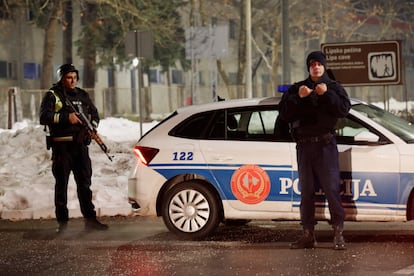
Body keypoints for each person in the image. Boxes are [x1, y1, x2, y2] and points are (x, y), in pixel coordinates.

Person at [279, 51, 351, 250]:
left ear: (324, 66)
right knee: (307, 192)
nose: (316, 67)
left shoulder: (334, 88)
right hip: (304, 146)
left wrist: (325, 94)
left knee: (331, 190)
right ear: (308, 67)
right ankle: (308, 235)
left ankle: (338, 234)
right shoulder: (297, 88)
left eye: (319, 64)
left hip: (325, 146)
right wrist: (298, 98)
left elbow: (343, 110)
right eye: (312, 64)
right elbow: (284, 114)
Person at [39, 64, 108, 233]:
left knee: (85, 184)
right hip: (62, 147)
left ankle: (90, 221)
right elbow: (43, 117)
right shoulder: (53, 95)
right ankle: (62, 224)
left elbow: (95, 115)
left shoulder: (83, 95)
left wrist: (91, 127)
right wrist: (66, 117)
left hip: (80, 147)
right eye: (69, 77)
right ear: (61, 78)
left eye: (75, 77)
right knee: (61, 185)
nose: (72, 81)